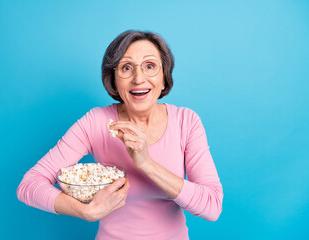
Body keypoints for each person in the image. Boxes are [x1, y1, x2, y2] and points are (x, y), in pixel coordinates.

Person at [17, 30, 223, 240]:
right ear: (114, 81)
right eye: (126, 68)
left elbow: (212, 207)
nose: (138, 78)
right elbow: (29, 184)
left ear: (164, 78)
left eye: (150, 66)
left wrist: (146, 163)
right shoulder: (96, 122)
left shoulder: (186, 122)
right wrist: (84, 211)